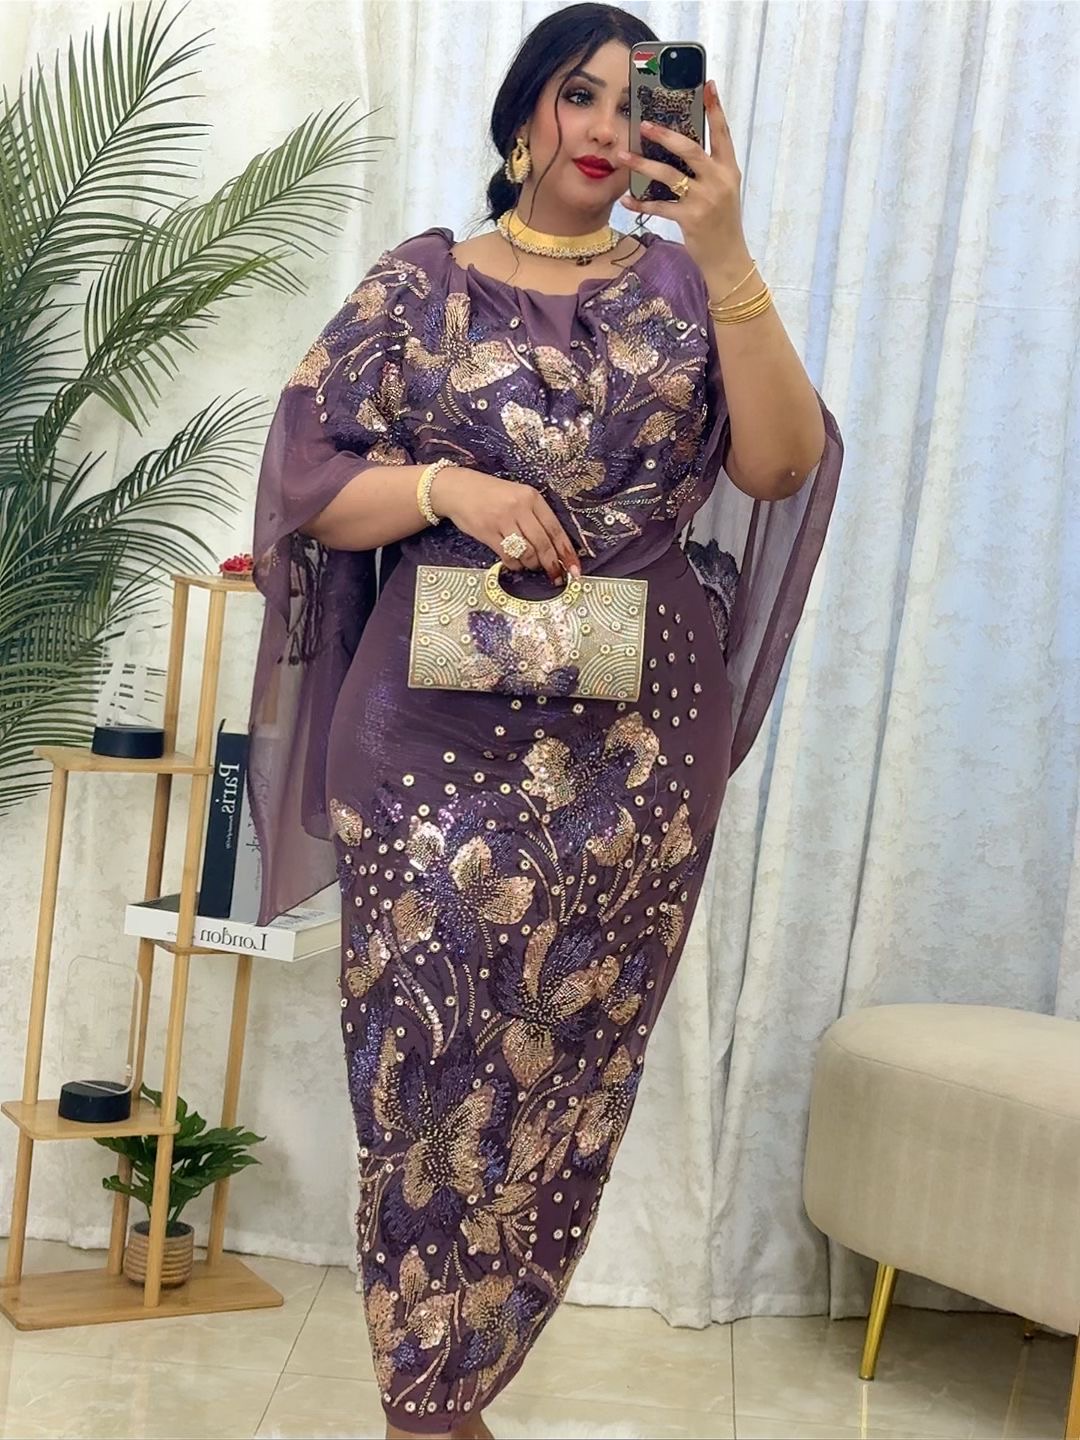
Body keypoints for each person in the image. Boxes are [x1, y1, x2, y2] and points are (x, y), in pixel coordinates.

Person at [246, 4, 843, 1436]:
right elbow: (311, 482)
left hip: (635, 752)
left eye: (640, 103)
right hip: (426, 744)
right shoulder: (421, 286)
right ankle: (428, 1398)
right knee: (417, 1074)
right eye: (581, 94)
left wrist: (727, 252)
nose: (606, 128)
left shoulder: (689, 287)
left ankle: (462, 1382)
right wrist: (449, 487)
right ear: (525, 115)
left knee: (563, 1073)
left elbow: (779, 467)